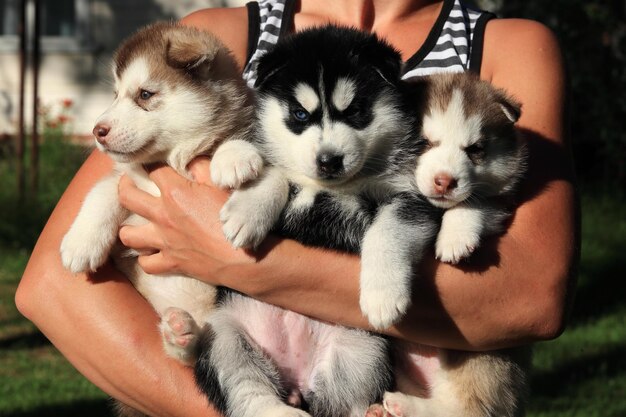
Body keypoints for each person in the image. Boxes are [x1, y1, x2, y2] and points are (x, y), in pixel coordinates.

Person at [15, 0, 578, 416]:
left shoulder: (508, 45)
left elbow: (533, 300)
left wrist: (245, 265)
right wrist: (245, 404)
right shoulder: (224, 33)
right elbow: (53, 289)